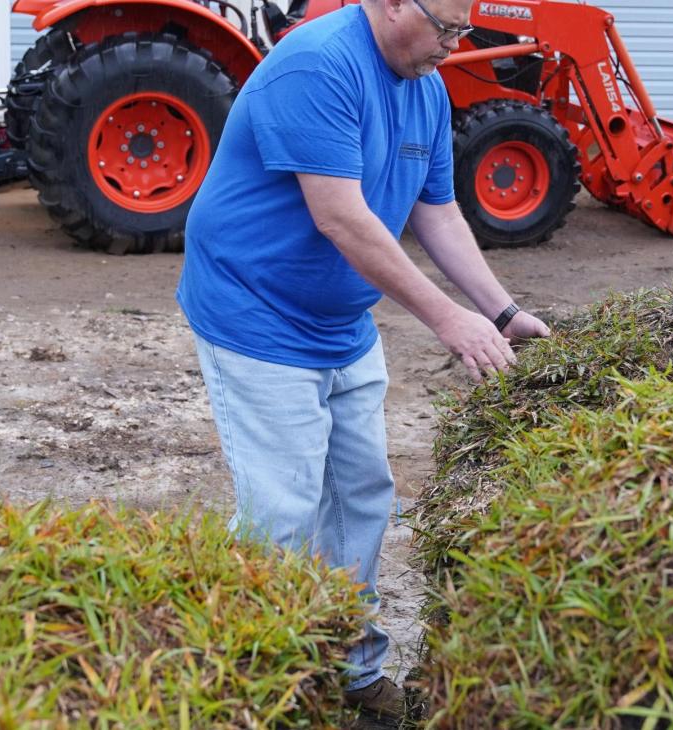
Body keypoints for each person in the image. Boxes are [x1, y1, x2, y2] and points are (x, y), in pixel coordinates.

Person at [175, 0, 548, 724]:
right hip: (255, 310)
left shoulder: (428, 88)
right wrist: (448, 320)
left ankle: (352, 670)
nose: (453, 45)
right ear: (389, 4)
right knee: (282, 509)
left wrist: (501, 311)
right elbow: (340, 216)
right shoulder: (321, 64)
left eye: (463, 32)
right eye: (445, 28)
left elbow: (436, 212)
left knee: (360, 496)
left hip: (339, 320)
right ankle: (254, 685)